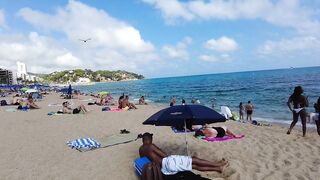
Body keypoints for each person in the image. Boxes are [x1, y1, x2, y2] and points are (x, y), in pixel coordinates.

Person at [139, 133, 228, 177]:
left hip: (163, 168)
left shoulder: (141, 150)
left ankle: (217, 168)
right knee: (194, 159)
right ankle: (218, 165)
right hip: (168, 162)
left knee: (193, 166)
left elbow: (146, 161)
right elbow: (164, 155)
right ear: (149, 139)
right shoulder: (150, 146)